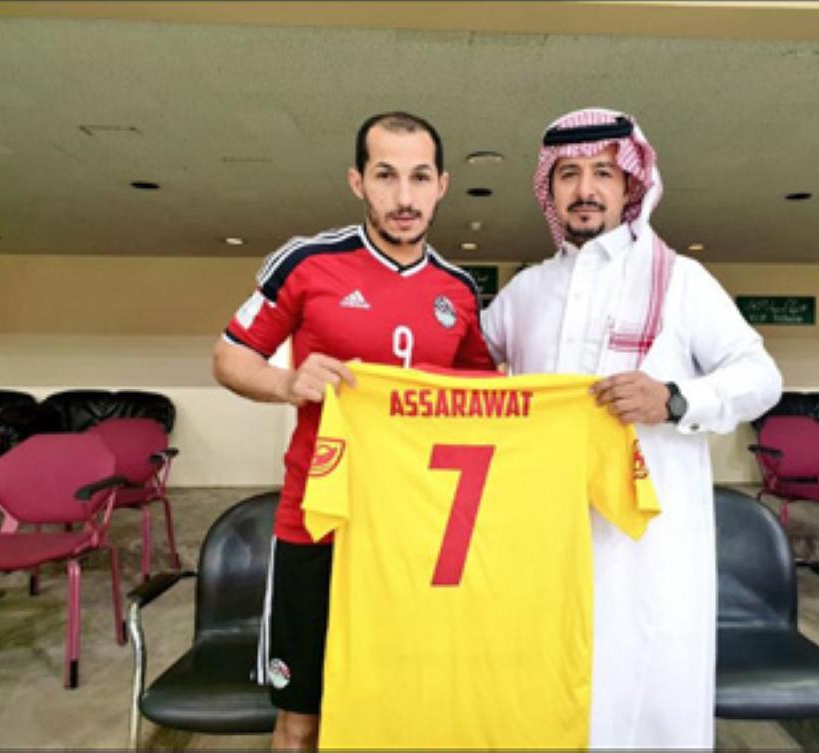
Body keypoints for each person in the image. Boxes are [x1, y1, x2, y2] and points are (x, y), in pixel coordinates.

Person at [481, 107, 783, 748]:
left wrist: (673, 399)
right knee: (546, 685)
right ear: (549, 189)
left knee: (646, 688)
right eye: (568, 174)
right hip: (544, 536)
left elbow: (761, 377)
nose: (585, 189)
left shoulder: (681, 282)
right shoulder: (524, 294)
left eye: (602, 172)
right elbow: (459, 373)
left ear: (630, 185)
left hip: (651, 546)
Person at [212, 111, 494, 751]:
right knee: (302, 720)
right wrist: (287, 382)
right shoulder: (307, 262)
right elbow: (228, 357)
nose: (404, 197)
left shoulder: (458, 289)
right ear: (357, 181)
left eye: (419, 177)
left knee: (404, 704)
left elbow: (484, 397)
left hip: (416, 529)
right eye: (386, 175)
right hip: (318, 520)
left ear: (442, 185)